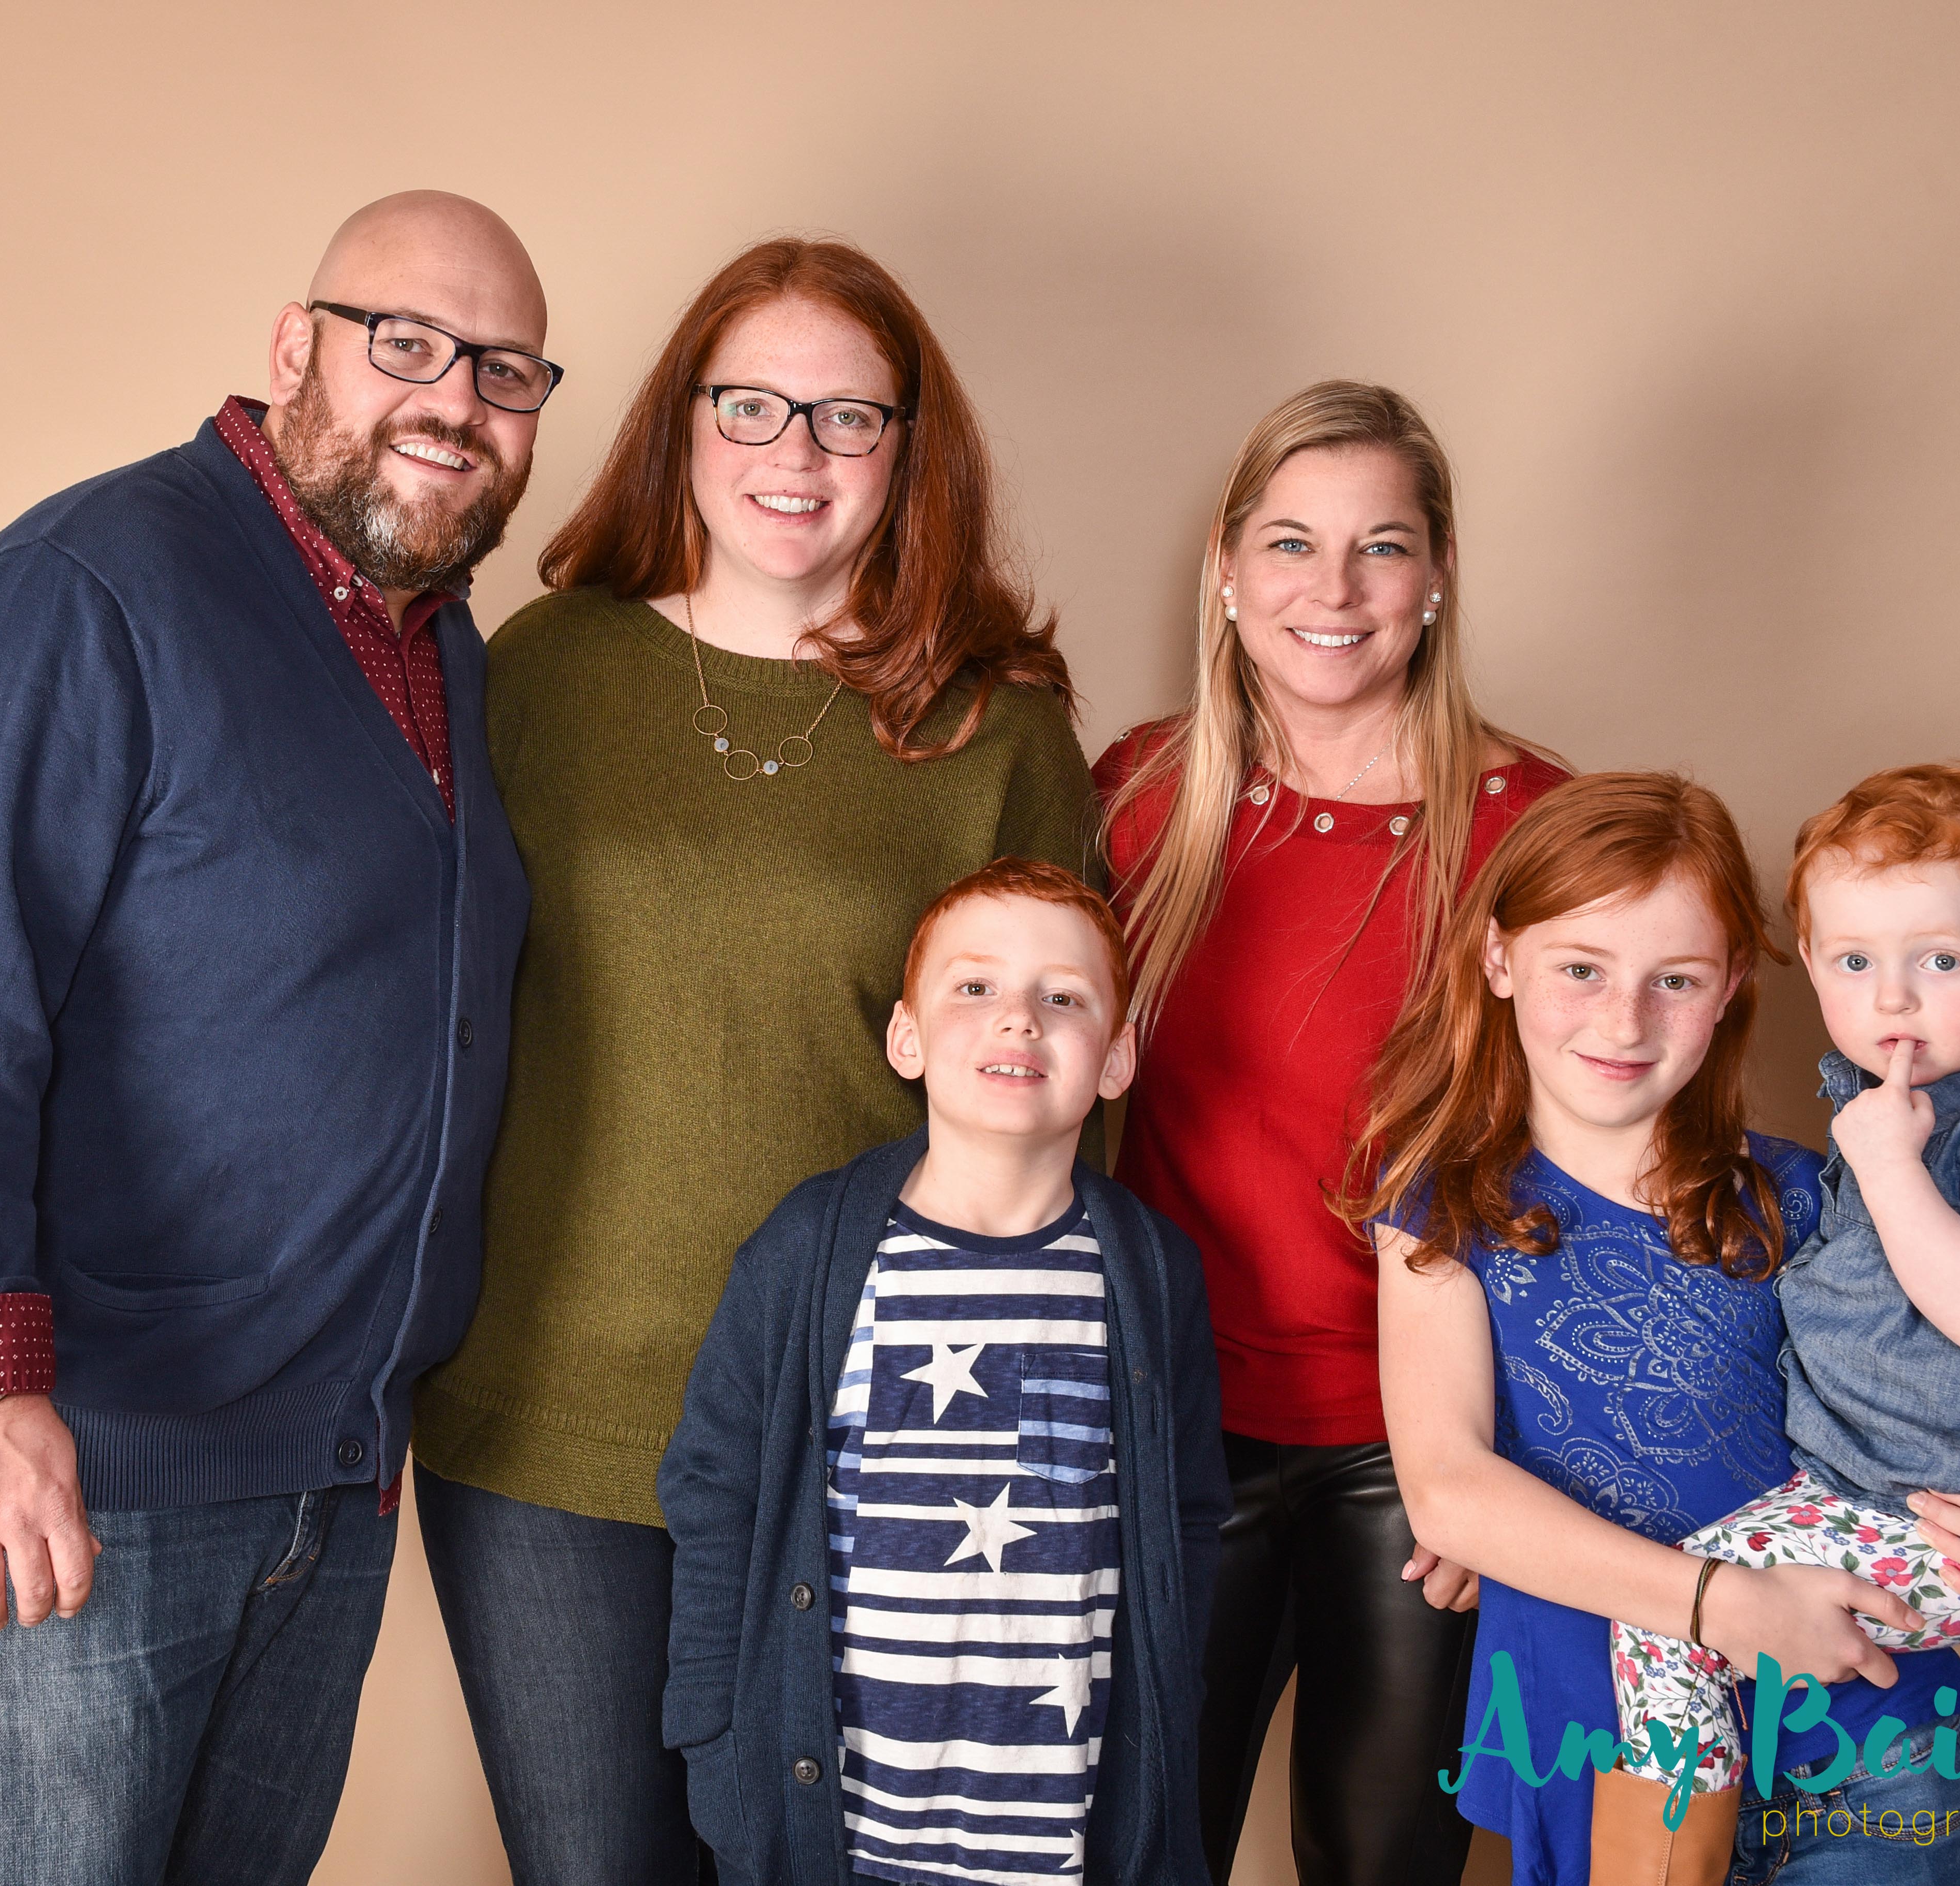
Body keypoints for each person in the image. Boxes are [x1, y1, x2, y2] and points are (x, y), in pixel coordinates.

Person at [0, 192, 551, 1886]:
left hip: (329, 1471)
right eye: (406, 342)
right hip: (85, 1466)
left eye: (506, 371)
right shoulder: (85, 590)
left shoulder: (448, 651)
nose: (455, 399)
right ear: (295, 347)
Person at [410, 239, 1100, 1884]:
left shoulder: (993, 726)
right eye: (753, 406)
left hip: (875, 1423)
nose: (797, 453)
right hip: (546, 1417)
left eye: (850, 417)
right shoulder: (544, 668)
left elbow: (1065, 1109)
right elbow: (420, 997)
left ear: (909, 450)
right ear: (684, 420)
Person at [1364, 772, 1960, 1885]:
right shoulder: (1442, 1206)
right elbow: (1449, 1487)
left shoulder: (1816, 1192)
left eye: (1673, 978)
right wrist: (1725, 1603)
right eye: (1580, 968)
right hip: (1606, 1735)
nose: (1622, 1020)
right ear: (1498, 958)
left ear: (1729, 985)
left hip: (1862, 1717)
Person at [1093, 380, 1564, 1882]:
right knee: (1129, 1851)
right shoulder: (1138, 796)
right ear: (1227, 572)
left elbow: (1600, 1160)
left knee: (1384, 1864)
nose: (1335, 589)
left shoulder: (1535, 828)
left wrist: (1504, 1466)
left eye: (1383, 546)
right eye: (1292, 543)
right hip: (1172, 1427)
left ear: (1437, 579)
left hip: (1418, 1446)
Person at [1598, 763, 1960, 1859]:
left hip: (1940, 1525)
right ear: (1810, 965)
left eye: (1939, 960)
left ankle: (1664, 1866)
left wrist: (1889, 1169)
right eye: (1854, 962)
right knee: (1691, 1609)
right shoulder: (1888, 1113)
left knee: (1671, 1612)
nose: (1892, 1000)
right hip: (1873, 1499)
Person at [659, 859, 1231, 1885]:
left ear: (1116, 1058)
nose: (1019, 1018)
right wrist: (712, 1736)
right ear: (906, 1037)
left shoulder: (1149, 1273)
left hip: (1063, 1838)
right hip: (846, 1831)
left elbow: (1187, 1516)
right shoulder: (808, 1251)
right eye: (975, 985)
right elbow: (715, 1494)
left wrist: (1168, 1715)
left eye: (1064, 997)